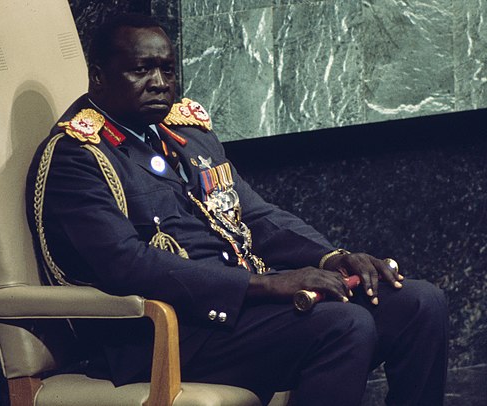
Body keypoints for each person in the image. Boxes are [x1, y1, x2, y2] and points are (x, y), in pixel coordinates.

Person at [26, 13, 448, 405]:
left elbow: (256, 216)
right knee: (343, 326)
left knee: (420, 304)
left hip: (237, 311)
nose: (159, 83)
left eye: (167, 70)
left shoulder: (186, 134)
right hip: (166, 333)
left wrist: (333, 257)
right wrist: (265, 286)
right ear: (98, 77)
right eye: (141, 70)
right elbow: (128, 265)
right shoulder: (78, 158)